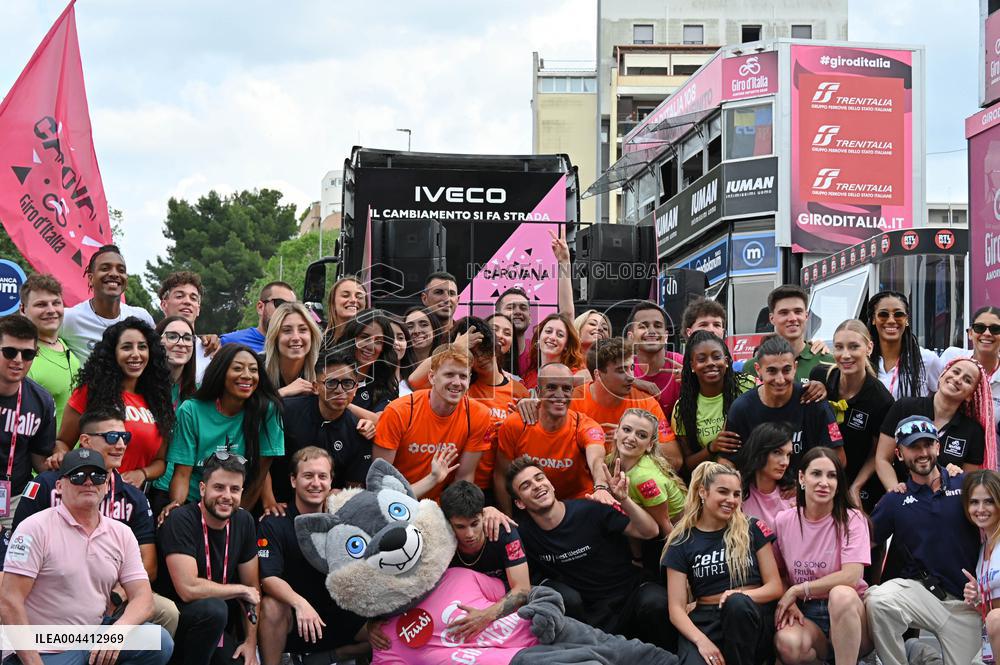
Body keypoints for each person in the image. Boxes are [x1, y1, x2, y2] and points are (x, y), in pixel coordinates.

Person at [12, 407, 179, 636]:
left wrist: (118, 595)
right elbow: (16, 553)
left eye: (125, 437)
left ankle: (108, 647)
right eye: (111, 437)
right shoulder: (47, 485)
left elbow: (148, 566)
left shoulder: (134, 497)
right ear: (85, 441)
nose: (120, 444)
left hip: (116, 591)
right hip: (53, 588)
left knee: (164, 622)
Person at [0, 448, 172, 665]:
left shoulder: (121, 533)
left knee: (159, 641)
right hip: (44, 646)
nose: (89, 482)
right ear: (60, 486)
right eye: (78, 476)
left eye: (98, 476)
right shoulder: (34, 528)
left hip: (92, 638)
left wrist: (118, 632)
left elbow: (143, 598)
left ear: (107, 485)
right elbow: (9, 602)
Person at [506, 456, 673, 650]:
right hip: (591, 614)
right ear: (520, 503)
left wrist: (624, 499)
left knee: (655, 601)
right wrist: (490, 511)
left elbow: (649, 531)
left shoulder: (590, 509)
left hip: (631, 594)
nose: (536, 485)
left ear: (551, 484)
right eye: (526, 486)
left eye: (539, 478)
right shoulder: (523, 534)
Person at [864, 415, 982, 665]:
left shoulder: (966, 484)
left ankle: (917, 653)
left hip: (966, 602)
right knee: (878, 600)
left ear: (938, 447)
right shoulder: (895, 499)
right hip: (922, 594)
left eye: (928, 444)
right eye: (914, 447)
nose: (923, 453)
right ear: (899, 453)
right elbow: (862, 544)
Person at [663, 461, 783, 665]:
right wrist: (702, 641)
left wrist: (739, 595)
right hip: (706, 621)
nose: (731, 500)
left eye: (736, 494)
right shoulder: (681, 541)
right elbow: (676, 609)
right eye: (723, 492)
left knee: (736, 604)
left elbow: (775, 587)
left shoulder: (752, 528)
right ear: (703, 492)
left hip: (749, 614)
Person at [258, 447, 367, 665]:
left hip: (338, 617)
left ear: (331, 481)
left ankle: (327, 658)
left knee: (389, 628)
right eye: (308, 476)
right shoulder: (274, 522)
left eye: (322, 476)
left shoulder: (346, 520)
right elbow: (268, 578)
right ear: (293, 480)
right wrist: (300, 604)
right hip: (296, 619)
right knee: (271, 606)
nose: (316, 483)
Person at [772, 447, 874, 665]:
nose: (824, 482)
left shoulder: (853, 519)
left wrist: (798, 589)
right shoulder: (783, 520)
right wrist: (789, 599)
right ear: (802, 478)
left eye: (832, 476)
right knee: (787, 644)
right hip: (806, 613)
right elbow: (778, 573)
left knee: (841, 594)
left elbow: (851, 576)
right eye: (816, 474)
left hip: (850, 613)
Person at [157, 453, 260, 665]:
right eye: (219, 487)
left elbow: (252, 588)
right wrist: (240, 590)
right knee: (214, 609)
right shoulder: (181, 519)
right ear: (203, 489)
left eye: (234, 489)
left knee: (238, 661)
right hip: (172, 625)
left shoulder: (244, 521)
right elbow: (188, 589)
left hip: (215, 627)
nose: (227, 496)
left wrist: (250, 642)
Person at [159, 344, 284, 516]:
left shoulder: (267, 411)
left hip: (238, 499)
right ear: (220, 372)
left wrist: (236, 519)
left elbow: (259, 475)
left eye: (253, 370)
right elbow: (182, 474)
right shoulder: (191, 410)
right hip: (195, 498)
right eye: (237, 368)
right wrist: (178, 510)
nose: (247, 375)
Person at [53, 317, 174, 484]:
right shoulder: (92, 391)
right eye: (126, 347)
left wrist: (142, 474)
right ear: (113, 353)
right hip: (90, 489)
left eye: (142, 347)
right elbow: (63, 442)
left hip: (131, 497)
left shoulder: (158, 401)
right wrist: (60, 455)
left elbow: (160, 462)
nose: (136, 354)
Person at [372, 347, 493, 501]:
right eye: (449, 374)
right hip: (395, 502)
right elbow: (381, 482)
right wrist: (432, 479)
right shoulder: (399, 411)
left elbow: (464, 478)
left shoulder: (478, 415)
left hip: (439, 504)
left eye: (463, 376)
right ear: (431, 377)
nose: (457, 383)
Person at [494, 363, 608, 514]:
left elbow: (596, 460)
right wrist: (509, 518)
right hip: (533, 508)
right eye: (551, 387)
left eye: (566, 389)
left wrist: (600, 487)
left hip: (577, 507)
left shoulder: (583, 426)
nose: (560, 394)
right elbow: (502, 475)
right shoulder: (516, 424)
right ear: (538, 392)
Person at [724, 336, 844, 476]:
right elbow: (726, 460)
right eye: (772, 371)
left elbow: (839, 458)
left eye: (786, 370)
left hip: (806, 487)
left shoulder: (813, 400)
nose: (780, 380)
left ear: (795, 367)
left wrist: (806, 481)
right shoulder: (742, 408)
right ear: (758, 370)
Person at [266, 351, 373, 509]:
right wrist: (269, 502)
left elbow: (353, 489)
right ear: (316, 387)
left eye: (347, 383)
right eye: (331, 383)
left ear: (356, 388)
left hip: (325, 510)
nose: (339, 390)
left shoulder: (358, 431)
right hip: (280, 505)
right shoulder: (286, 411)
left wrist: (340, 495)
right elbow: (263, 461)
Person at [811, 319, 895, 512]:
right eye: (839, 347)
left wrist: (856, 486)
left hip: (860, 483)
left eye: (854, 347)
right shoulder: (820, 376)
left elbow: (879, 452)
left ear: (869, 348)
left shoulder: (881, 399)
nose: (845, 355)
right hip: (820, 480)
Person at [874, 357, 993, 493]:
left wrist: (956, 477)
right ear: (942, 375)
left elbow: (967, 484)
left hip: (942, 502)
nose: (958, 379)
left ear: (970, 395)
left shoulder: (973, 431)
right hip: (900, 497)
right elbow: (883, 459)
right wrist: (896, 491)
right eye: (955, 372)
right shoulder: (904, 407)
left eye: (967, 380)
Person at [566, 337, 682, 471]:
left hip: (632, 479)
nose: (631, 376)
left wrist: (633, 439)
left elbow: (675, 460)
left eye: (631, 368)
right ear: (598, 375)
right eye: (621, 370)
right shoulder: (573, 401)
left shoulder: (645, 402)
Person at [450, 317, 529, 498]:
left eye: (484, 348)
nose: (480, 357)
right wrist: (455, 348)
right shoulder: (463, 389)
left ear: (494, 346)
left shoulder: (520, 391)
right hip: (471, 482)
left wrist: (515, 427)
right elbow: (416, 381)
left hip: (510, 481)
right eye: (472, 353)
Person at [0, 315, 56, 528]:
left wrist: (59, 462)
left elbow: (40, 458)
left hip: (14, 498)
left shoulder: (42, 401)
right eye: (9, 352)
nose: (18, 360)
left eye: (27, 354)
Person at [673, 331, 755, 472]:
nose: (710, 363)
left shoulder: (748, 385)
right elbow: (687, 465)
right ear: (692, 366)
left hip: (752, 472)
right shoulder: (683, 408)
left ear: (726, 361)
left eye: (716, 357)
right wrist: (712, 447)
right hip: (712, 479)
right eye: (701, 359)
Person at [60, 244, 155, 363]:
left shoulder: (141, 317)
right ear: (91, 278)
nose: (114, 274)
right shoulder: (69, 318)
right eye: (105, 268)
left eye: (121, 270)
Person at [19, 274, 80, 431]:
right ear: (23, 309)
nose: (51, 310)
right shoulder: (20, 359)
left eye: (56, 303)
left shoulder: (67, 345)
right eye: (41, 304)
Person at [741, 285, 833, 382]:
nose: (792, 318)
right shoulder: (752, 367)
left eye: (798, 311)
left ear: (806, 316)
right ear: (772, 319)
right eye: (784, 313)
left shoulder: (828, 362)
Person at [865, 290, 941, 398]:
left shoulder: (927, 360)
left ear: (906, 320)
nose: (891, 320)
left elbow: (944, 398)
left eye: (898, 314)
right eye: (883, 314)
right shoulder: (863, 361)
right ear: (873, 319)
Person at [961, 469, 1000, 663]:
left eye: (989, 501)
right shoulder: (983, 548)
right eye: (974, 502)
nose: (981, 509)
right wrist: (977, 598)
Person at [942, 306, 1000, 425]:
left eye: (995, 329)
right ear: (970, 333)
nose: (987, 333)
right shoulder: (952, 357)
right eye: (980, 328)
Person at [626, 301, 685, 418]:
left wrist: (692, 381)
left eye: (657, 326)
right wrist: (632, 381)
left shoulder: (682, 363)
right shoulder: (623, 367)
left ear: (666, 336)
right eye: (643, 326)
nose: (651, 331)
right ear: (630, 337)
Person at [157, 271, 218, 382]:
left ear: (198, 309)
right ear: (164, 305)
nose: (187, 302)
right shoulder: (146, 347)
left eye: (193, 298)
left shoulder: (212, 351)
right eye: (179, 296)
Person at [337, 310, 399, 417]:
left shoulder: (385, 385)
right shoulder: (329, 370)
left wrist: (338, 402)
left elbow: (381, 420)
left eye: (378, 341)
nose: (370, 347)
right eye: (365, 337)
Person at [262, 302, 322, 399]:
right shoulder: (257, 367)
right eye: (287, 330)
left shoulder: (324, 368)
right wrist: (282, 392)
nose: (296, 338)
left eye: (303, 330)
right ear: (275, 337)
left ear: (312, 335)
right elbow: (245, 407)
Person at [739, 422, 795, 525]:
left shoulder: (793, 494)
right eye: (777, 452)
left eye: (788, 455)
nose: (785, 462)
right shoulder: (737, 493)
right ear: (759, 452)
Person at [220, 281, 297, 354]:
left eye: (293, 306)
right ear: (260, 307)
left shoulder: (298, 346)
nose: (287, 311)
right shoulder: (229, 343)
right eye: (280, 304)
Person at [521, 312, 585, 389]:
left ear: (566, 345)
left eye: (560, 335)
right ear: (539, 337)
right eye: (548, 331)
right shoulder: (527, 377)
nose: (552, 337)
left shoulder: (576, 375)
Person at [157, 316, 198, 407]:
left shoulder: (200, 395)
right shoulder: (139, 389)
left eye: (187, 338)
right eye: (172, 337)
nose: (181, 343)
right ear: (157, 341)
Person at [495, 286, 532, 376]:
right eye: (510, 307)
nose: (518, 312)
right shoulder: (484, 354)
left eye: (523, 308)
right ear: (497, 315)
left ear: (530, 318)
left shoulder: (539, 353)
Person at [324, 275, 367, 343]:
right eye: (345, 295)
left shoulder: (374, 340)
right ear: (333, 303)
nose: (353, 300)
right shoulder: (318, 342)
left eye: (359, 296)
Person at [403, 306, 445, 374]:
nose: (416, 331)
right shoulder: (397, 366)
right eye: (410, 327)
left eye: (424, 325)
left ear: (435, 331)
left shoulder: (446, 363)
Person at [485, 312, 517, 379]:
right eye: (494, 329)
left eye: (507, 333)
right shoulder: (465, 371)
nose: (500, 335)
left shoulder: (515, 381)